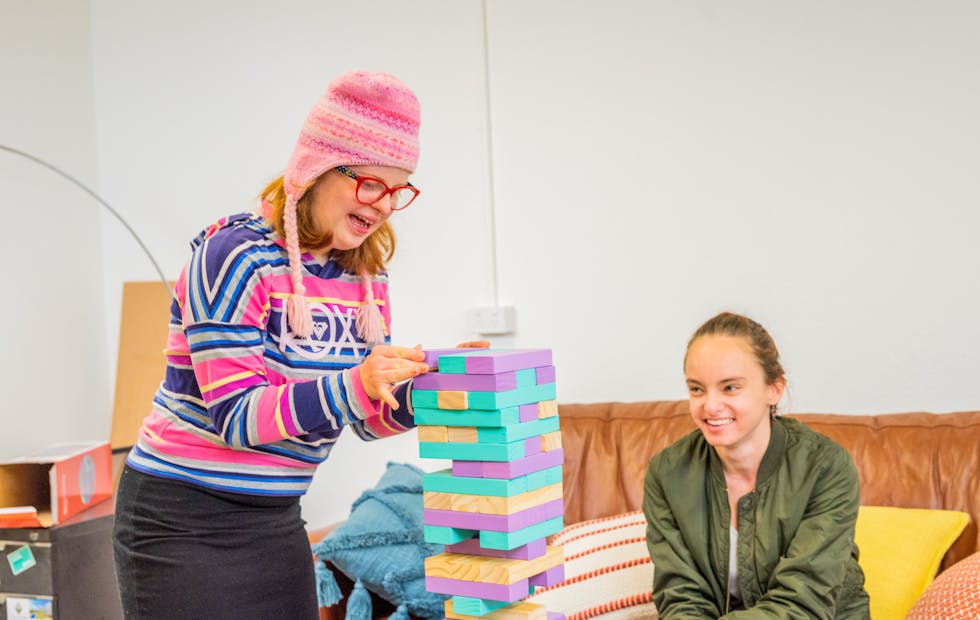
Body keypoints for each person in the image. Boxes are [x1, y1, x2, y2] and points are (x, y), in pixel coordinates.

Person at [113, 70, 482, 619]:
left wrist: (434, 389)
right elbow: (238, 418)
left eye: (398, 188)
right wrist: (358, 383)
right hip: (182, 521)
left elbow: (362, 417)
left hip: (275, 517)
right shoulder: (233, 256)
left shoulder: (365, 279)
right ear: (316, 168)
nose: (382, 205)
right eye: (370, 183)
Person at [643, 312, 870, 619]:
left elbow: (802, 604)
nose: (709, 406)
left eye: (730, 387)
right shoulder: (667, 473)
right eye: (696, 388)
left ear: (773, 389)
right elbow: (681, 596)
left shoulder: (826, 468)